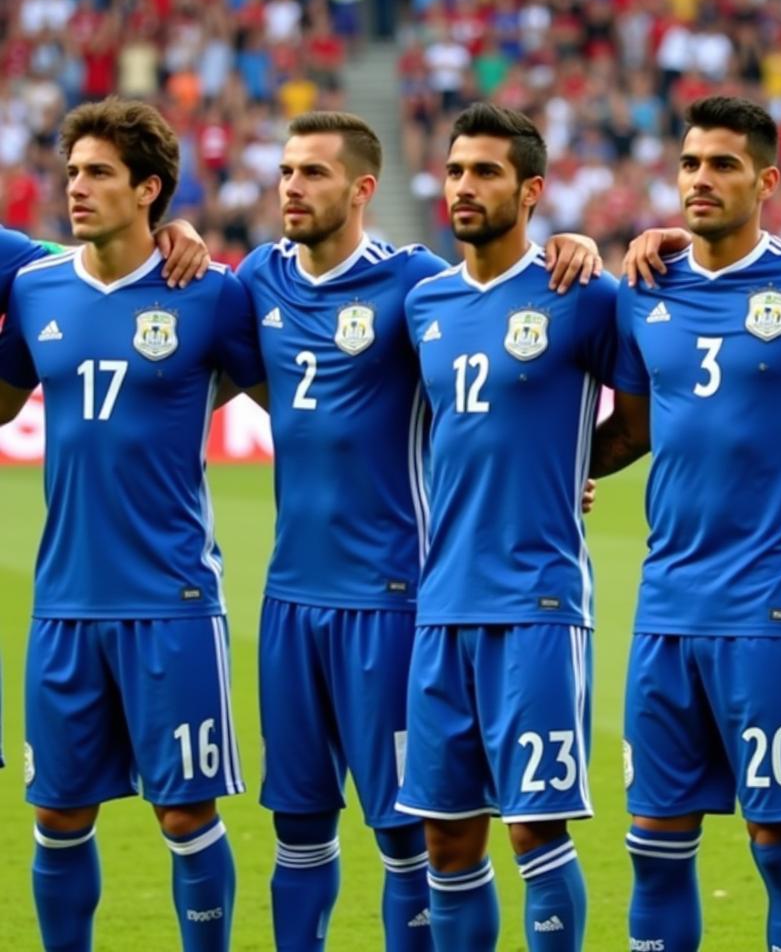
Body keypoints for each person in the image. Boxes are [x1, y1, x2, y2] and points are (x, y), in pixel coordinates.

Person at [235, 109, 603, 952]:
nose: (291, 186)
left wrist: (573, 242)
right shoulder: (256, 278)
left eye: (312, 173)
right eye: (286, 171)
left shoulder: (414, 284)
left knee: (419, 830)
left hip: (398, 595)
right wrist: (175, 227)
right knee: (300, 823)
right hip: (289, 598)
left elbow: (501, 329)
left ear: (363, 188)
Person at [589, 95, 781, 952]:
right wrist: (550, 477)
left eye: (722, 164)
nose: (700, 179)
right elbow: (630, 433)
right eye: (690, 163)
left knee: (779, 845)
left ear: (766, 181)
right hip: (662, 610)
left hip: (770, 610)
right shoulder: (642, 290)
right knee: (653, 847)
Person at [0, 97, 265, 952]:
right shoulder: (34, 285)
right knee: (57, 810)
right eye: (71, 170)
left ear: (148, 189)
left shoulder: (212, 297)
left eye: (98, 173)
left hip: (173, 598)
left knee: (185, 810)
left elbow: (303, 414)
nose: (75, 186)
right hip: (64, 600)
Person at [396, 103, 619, 952]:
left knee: (535, 830)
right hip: (441, 603)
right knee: (446, 837)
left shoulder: (581, 293)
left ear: (531, 191)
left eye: (485, 172)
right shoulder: (424, 302)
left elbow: (643, 412)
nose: (463, 186)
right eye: (455, 170)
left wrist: (570, 470)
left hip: (536, 602)